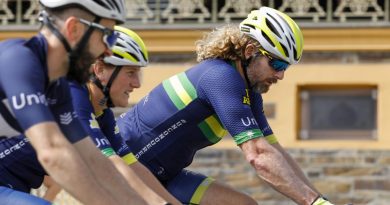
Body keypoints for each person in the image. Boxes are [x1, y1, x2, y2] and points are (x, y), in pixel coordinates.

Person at [116, 7, 337, 205]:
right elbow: (258, 156)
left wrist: (320, 200)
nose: (280, 74)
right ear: (250, 51)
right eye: (276, 63)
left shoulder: (249, 92)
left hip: (166, 175)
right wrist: (313, 203)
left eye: (285, 67)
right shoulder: (221, 77)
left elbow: (275, 151)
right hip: (127, 167)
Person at [0, 0, 148, 204]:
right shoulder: (18, 59)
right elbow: (52, 153)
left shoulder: (58, 86)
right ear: (74, 29)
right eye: (107, 36)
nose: (108, 52)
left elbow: (94, 160)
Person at [67, 25, 180, 205]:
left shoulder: (103, 115)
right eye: (130, 73)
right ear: (99, 70)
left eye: (138, 74)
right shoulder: (73, 95)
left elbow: (133, 167)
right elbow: (111, 164)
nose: (136, 84)